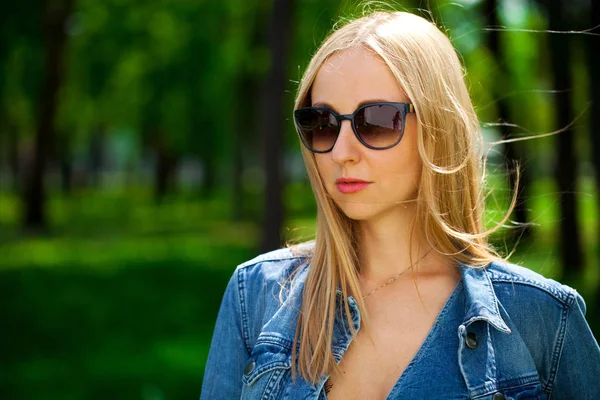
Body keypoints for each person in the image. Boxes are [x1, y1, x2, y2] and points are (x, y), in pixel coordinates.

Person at [200, 10, 600, 400]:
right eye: (321, 123)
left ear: (437, 127)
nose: (341, 151)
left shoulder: (543, 316)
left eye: (374, 120)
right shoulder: (255, 295)